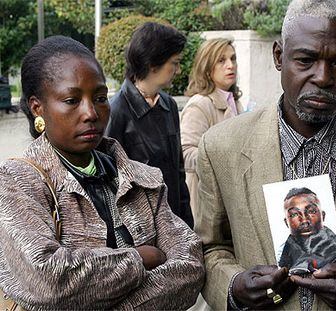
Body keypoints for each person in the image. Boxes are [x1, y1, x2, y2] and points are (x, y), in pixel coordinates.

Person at [194, 0, 336, 310]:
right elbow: (210, 248)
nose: (323, 77)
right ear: (279, 56)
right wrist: (234, 287)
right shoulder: (220, 147)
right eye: (306, 59)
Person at [0, 35, 204, 310]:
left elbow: (190, 267)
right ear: (38, 107)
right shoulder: (17, 182)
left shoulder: (141, 179)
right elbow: (48, 280)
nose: (91, 113)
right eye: (72, 100)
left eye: (99, 98)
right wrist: (139, 259)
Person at [106, 22, 193, 228]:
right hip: (138, 227)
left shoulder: (169, 105)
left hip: (173, 220)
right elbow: (109, 182)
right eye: (174, 63)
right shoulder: (116, 111)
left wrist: (187, 223)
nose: (178, 70)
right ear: (153, 65)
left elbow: (178, 172)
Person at [181, 38, 243, 215]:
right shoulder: (199, 105)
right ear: (207, 68)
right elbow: (186, 154)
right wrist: (222, 157)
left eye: (233, 58)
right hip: (207, 205)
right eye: (221, 60)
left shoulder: (234, 101)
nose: (230, 65)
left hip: (230, 197)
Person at [278, 187, 336, 275]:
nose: (305, 220)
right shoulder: (286, 249)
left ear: (323, 216)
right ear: (286, 223)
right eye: (294, 214)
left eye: (311, 211)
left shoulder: (334, 247)